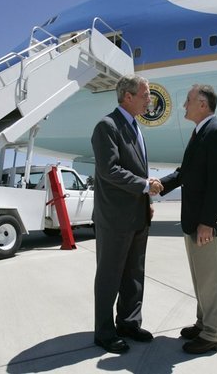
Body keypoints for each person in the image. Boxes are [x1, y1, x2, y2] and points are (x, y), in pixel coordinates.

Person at [160, 84, 217, 354]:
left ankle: (214, 334)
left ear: (202, 104)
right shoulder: (199, 134)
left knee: (212, 280)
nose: (184, 106)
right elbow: (185, 173)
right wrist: (160, 185)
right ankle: (204, 323)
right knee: (201, 278)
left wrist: (208, 221)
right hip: (196, 221)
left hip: (207, 224)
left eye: (188, 101)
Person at [91, 74, 163, 354]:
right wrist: (145, 186)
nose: (149, 100)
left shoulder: (135, 127)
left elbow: (134, 170)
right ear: (128, 96)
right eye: (145, 94)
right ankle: (104, 332)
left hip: (137, 214)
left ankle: (129, 323)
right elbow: (109, 170)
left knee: (134, 273)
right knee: (110, 275)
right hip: (115, 218)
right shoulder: (107, 126)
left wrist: (146, 199)